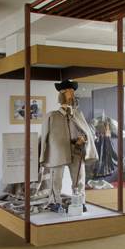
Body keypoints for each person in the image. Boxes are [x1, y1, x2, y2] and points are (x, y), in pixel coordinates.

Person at [39, 80, 98, 210]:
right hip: (57, 153)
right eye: (68, 92)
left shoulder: (78, 115)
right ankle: (55, 203)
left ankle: (80, 202)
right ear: (62, 94)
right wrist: (43, 155)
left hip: (76, 151)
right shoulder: (51, 116)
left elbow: (87, 133)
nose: (72, 94)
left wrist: (83, 139)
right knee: (56, 180)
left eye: (73, 91)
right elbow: (44, 137)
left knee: (79, 179)